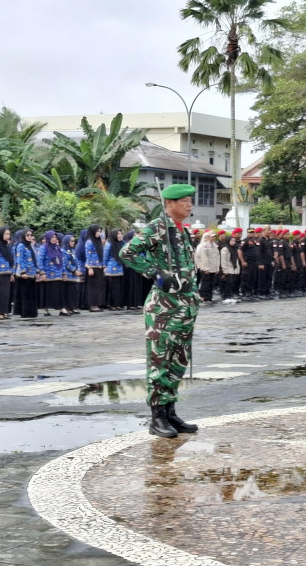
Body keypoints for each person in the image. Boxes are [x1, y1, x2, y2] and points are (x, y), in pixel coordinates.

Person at [119, 183, 201, 438]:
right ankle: (157, 416)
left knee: (178, 359)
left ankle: (170, 411)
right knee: (161, 359)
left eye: (190, 200)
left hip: (184, 305)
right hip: (164, 306)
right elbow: (128, 252)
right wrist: (156, 275)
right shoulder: (157, 227)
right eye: (184, 201)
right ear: (169, 204)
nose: (189, 205)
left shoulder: (181, 230)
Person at [37, 230, 64, 317]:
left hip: (58, 273)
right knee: (47, 292)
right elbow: (40, 260)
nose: (54, 239)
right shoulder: (43, 247)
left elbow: (61, 260)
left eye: (55, 237)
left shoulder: (57, 247)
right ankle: (46, 310)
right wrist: (42, 272)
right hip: (48, 274)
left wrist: (63, 272)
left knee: (58, 292)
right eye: (52, 237)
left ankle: (61, 308)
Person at [13, 229, 39, 318]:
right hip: (24, 274)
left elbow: (34, 259)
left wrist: (37, 271)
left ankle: (32, 312)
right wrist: (23, 271)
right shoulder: (21, 246)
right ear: (23, 236)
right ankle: (25, 312)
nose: (29, 237)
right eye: (27, 235)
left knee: (32, 294)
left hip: (32, 272)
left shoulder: (30, 245)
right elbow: (20, 259)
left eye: (30, 235)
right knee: (25, 294)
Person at [0, 227, 15, 320]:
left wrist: (12, 273)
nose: (7, 236)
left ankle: (4, 311)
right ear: (1, 234)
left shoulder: (7, 246)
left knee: (6, 294)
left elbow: (10, 260)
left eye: (9, 234)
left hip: (7, 272)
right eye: (6, 234)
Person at [80, 224, 105, 313]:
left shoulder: (97, 242)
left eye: (99, 231)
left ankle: (97, 304)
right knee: (93, 287)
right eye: (97, 231)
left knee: (99, 286)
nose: (99, 233)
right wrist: (89, 267)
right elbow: (88, 255)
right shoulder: (89, 242)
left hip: (99, 266)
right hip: (92, 267)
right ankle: (92, 305)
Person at [194, 230, 220, 303]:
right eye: (212, 237)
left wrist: (217, 267)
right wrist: (206, 268)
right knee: (206, 283)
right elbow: (204, 258)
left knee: (212, 283)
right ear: (208, 237)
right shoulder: (204, 246)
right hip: (206, 268)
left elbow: (217, 257)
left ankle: (209, 297)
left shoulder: (215, 246)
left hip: (213, 267)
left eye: (214, 237)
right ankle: (205, 297)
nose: (213, 238)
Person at [102, 229, 125, 310]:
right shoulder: (109, 244)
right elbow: (105, 256)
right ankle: (111, 304)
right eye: (118, 234)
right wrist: (104, 267)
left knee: (119, 288)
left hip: (120, 268)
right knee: (112, 287)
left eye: (121, 234)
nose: (120, 235)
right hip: (111, 268)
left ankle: (117, 303)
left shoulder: (122, 244)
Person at [61, 233, 82, 315]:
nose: (73, 242)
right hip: (68, 274)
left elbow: (76, 261)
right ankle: (67, 308)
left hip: (75, 275)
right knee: (68, 293)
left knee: (74, 292)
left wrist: (78, 270)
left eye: (74, 241)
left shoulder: (73, 250)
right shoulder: (63, 251)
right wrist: (73, 270)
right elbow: (65, 263)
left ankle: (72, 307)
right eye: (71, 241)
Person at [220, 234, 240, 300]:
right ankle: (226, 296)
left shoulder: (235, 248)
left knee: (232, 283)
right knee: (228, 283)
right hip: (228, 269)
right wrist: (224, 270)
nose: (233, 242)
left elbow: (236, 259)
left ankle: (230, 295)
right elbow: (223, 260)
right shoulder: (225, 249)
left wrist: (237, 269)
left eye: (234, 241)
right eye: (231, 241)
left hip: (233, 269)